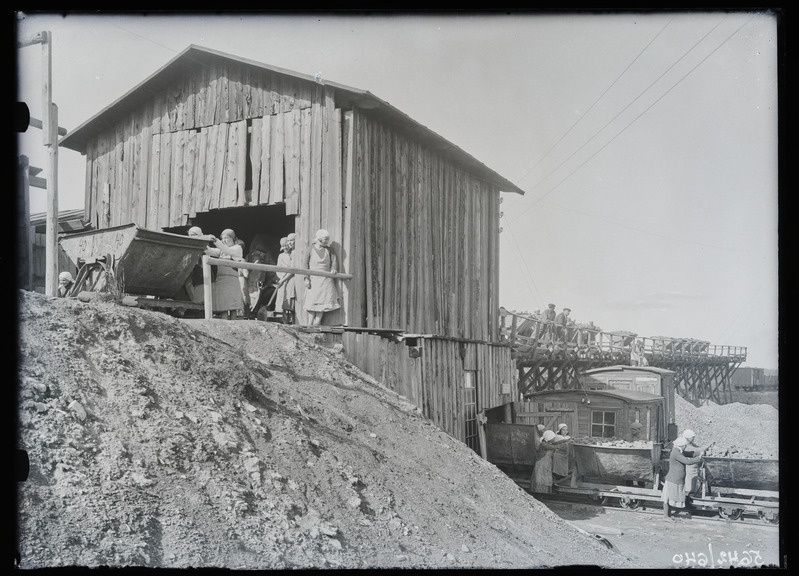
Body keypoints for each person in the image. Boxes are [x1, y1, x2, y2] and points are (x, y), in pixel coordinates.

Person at [303, 229, 340, 326]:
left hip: (326, 279)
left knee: (323, 302)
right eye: (326, 239)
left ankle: (317, 322)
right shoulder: (310, 249)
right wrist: (306, 278)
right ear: (319, 239)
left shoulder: (329, 250)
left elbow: (334, 260)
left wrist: (333, 269)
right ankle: (309, 323)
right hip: (313, 279)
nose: (327, 241)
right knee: (312, 301)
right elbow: (305, 264)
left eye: (328, 239)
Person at [661, 436, 704, 519]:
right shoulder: (676, 452)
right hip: (673, 479)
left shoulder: (679, 450)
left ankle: (668, 515)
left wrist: (699, 452)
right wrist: (698, 458)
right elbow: (687, 461)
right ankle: (666, 517)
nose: (685, 447)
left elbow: (690, 454)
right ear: (681, 445)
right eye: (684, 446)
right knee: (667, 498)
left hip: (677, 479)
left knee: (670, 498)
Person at [207, 228, 244, 320]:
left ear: (233, 238)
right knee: (223, 307)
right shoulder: (221, 250)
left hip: (231, 281)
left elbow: (228, 251)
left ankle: (233, 326)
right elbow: (210, 251)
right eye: (222, 238)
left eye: (226, 238)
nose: (224, 240)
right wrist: (202, 242)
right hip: (221, 280)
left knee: (232, 307)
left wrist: (216, 240)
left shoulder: (237, 248)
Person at [275, 233, 297, 325]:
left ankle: (292, 321)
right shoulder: (281, 256)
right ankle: (284, 322)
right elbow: (278, 269)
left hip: (291, 279)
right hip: (283, 279)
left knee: (290, 301)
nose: (285, 247)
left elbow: (293, 269)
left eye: (286, 245)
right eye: (283, 246)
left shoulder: (293, 254)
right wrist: (282, 277)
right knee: (283, 301)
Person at [682, 430, 701, 496]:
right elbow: (692, 451)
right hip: (689, 466)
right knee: (689, 484)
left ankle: (691, 496)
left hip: (694, 466)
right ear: (688, 437)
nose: (693, 439)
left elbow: (696, 447)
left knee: (693, 482)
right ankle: (687, 499)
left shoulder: (691, 443)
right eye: (692, 437)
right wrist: (700, 451)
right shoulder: (685, 445)